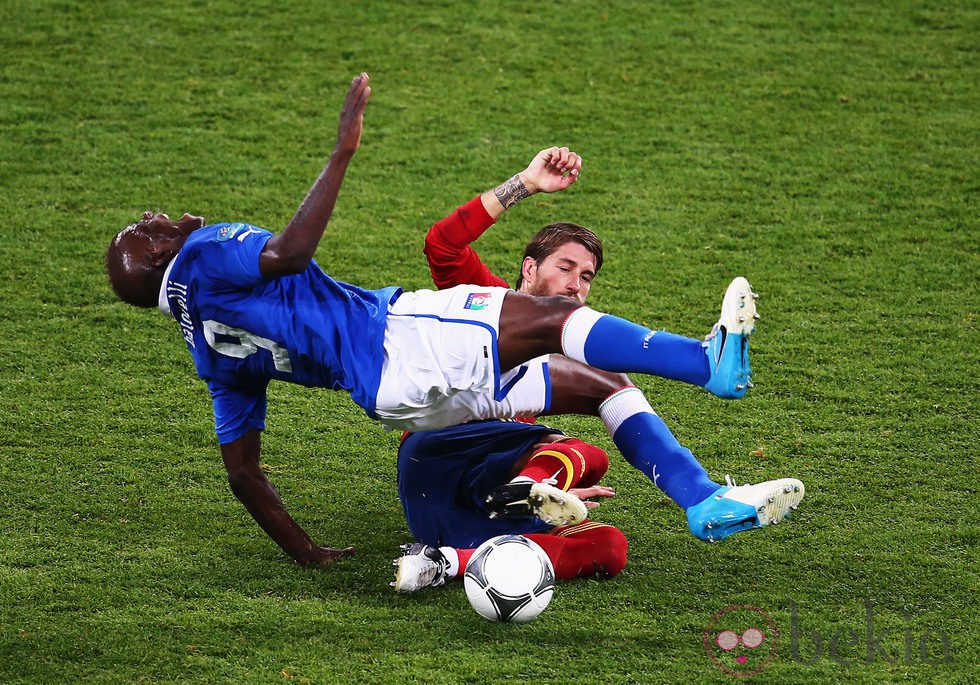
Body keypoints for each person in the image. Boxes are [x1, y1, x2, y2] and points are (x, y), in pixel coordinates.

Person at [105, 73, 803, 567]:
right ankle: (707, 363)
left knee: (603, 383)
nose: (153, 217)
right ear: (161, 252)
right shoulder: (204, 254)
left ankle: (702, 498)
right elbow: (291, 254)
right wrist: (343, 151)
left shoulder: (208, 350)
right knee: (565, 322)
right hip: (399, 345)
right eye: (146, 227)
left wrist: (307, 552)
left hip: (397, 393)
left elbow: (243, 472)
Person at [391, 148, 804, 591]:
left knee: (608, 546)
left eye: (586, 276)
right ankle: (696, 482)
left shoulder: (568, 343)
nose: (576, 284)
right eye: (565, 268)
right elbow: (443, 244)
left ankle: (443, 563)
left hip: (461, 507)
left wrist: (555, 490)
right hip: (438, 450)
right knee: (600, 413)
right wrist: (525, 185)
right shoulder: (489, 303)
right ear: (529, 269)